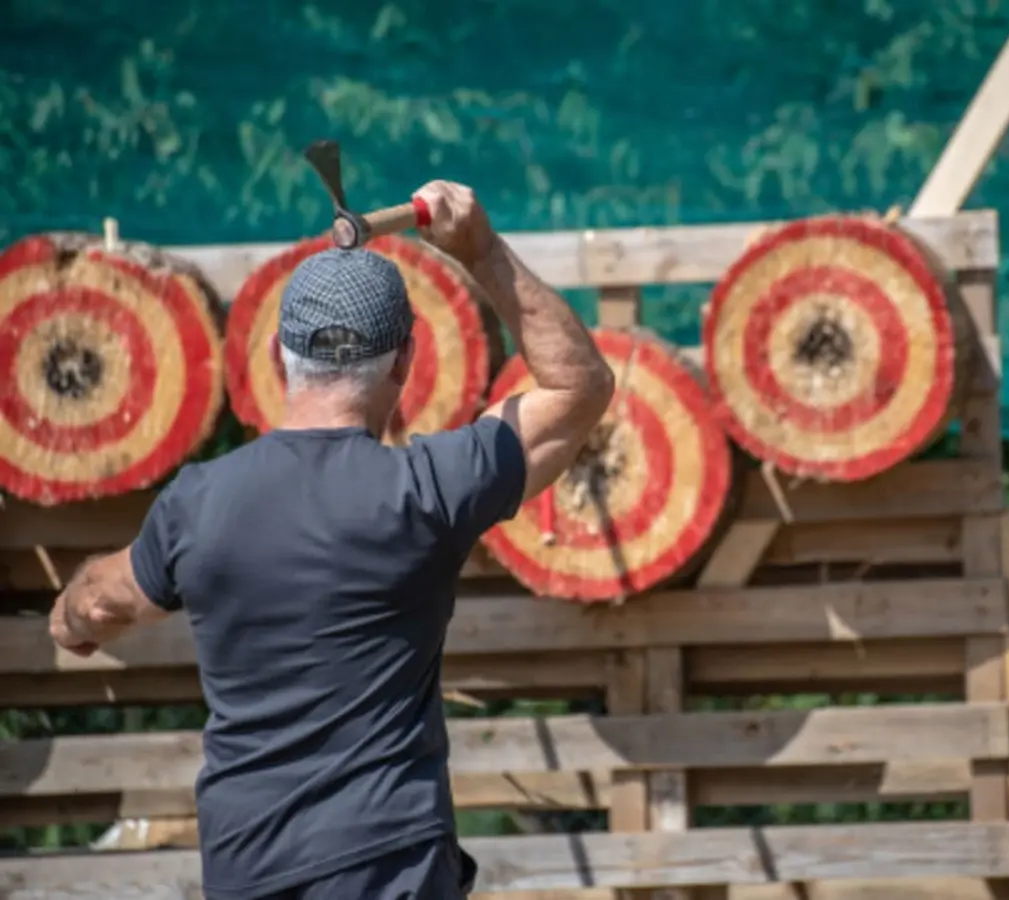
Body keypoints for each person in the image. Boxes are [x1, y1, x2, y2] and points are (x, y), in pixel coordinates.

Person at [47, 181, 615, 899]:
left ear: (283, 359)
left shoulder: (196, 506)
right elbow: (580, 387)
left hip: (249, 869)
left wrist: (70, 616)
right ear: (404, 364)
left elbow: (99, 604)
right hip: (390, 866)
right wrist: (483, 250)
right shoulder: (428, 491)